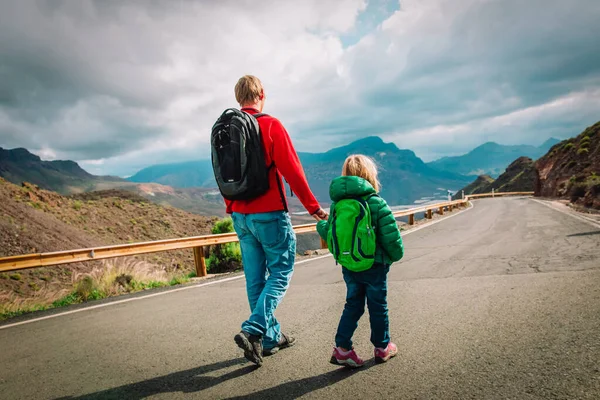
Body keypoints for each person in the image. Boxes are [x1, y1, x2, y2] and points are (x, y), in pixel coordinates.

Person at [227, 75, 328, 367]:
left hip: (240, 215)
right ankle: (253, 329)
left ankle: (269, 340)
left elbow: (222, 173)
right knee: (282, 271)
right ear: (262, 94)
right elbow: (292, 170)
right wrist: (313, 207)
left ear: (238, 98)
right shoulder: (271, 125)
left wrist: (231, 207)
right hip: (269, 213)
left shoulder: (227, 131)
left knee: (255, 279)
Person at [317, 154, 404, 368]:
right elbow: (391, 237)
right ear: (369, 175)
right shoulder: (376, 202)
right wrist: (395, 255)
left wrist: (321, 226)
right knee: (378, 305)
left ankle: (342, 349)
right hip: (375, 265)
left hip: (349, 264)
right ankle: (382, 348)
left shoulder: (338, 205)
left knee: (353, 304)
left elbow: (328, 230)